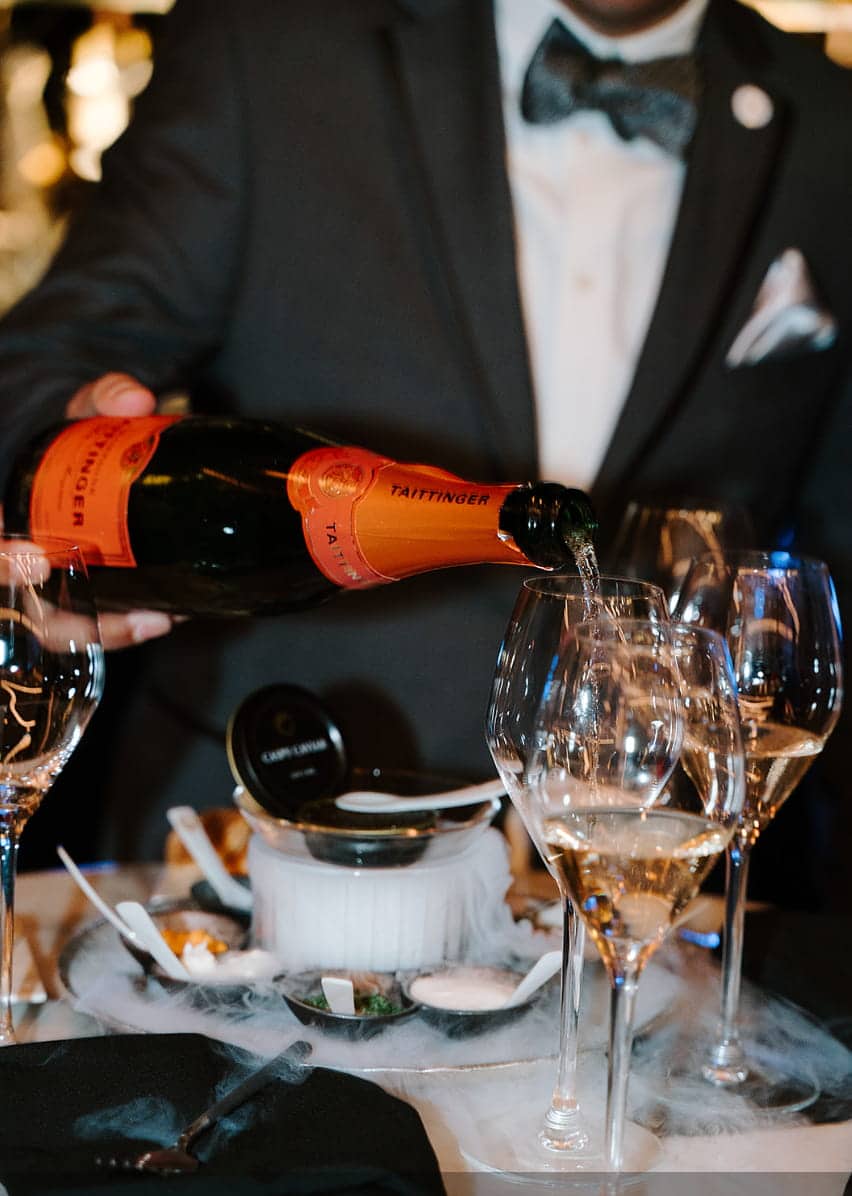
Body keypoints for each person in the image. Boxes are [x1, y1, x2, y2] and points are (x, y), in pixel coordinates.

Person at [0, 0, 849, 909]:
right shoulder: (268, 44)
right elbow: (40, 363)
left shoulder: (832, 127)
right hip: (252, 854)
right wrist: (50, 475)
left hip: (636, 874)